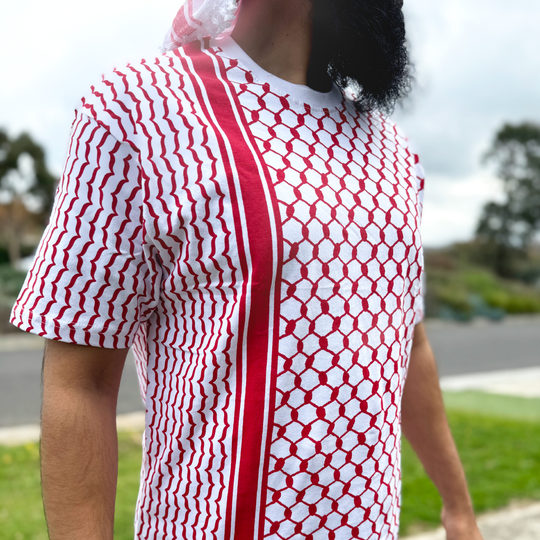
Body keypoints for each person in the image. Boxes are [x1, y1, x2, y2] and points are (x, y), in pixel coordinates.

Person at [11, 0, 484, 539]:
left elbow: (407, 342)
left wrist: (458, 507)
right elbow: (82, 382)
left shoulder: (395, 153)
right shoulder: (136, 111)